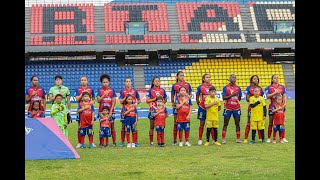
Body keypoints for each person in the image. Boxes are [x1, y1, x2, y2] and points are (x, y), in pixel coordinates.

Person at [171, 71, 192, 146]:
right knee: (176, 123)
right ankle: (174, 140)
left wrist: (188, 98)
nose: (182, 77)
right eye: (180, 75)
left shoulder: (187, 84)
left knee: (186, 122)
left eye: (183, 75)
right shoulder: (174, 85)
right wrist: (173, 103)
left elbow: (190, 94)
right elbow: (172, 95)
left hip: (185, 105)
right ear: (177, 77)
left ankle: (186, 140)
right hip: (178, 105)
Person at [119, 77, 141, 147]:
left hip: (133, 111)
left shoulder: (134, 91)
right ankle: (122, 142)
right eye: (127, 81)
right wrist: (126, 97)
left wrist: (135, 104)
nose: (128, 83)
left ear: (131, 82)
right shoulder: (123, 91)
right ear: (125, 83)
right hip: (125, 110)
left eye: (129, 81)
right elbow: (120, 101)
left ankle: (135, 141)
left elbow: (139, 99)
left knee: (134, 126)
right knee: (123, 127)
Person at [265, 74, 288, 143]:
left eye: (277, 78)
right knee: (271, 122)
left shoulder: (282, 87)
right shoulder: (269, 87)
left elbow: (284, 96)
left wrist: (285, 104)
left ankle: (283, 137)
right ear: (272, 80)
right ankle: (269, 138)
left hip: (281, 107)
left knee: (282, 122)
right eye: (275, 78)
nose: (276, 79)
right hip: (272, 107)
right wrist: (275, 92)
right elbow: (267, 96)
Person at [75, 75, 95, 148]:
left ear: (87, 81)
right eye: (82, 80)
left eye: (85, 80)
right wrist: (82, 94)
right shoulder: (78, 89)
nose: (83, 81)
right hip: (81, 108)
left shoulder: (91, 89)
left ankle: (91, 142)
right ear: (80, 81)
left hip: (89, 109)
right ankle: (80, 142)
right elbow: (77, 99)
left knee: (90, 127)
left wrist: (91, 103)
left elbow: (93, 99)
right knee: (80, 126)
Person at [146, 77, 167, 146]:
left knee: (161, 126)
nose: (157, 82)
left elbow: (165, 99)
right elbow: (147, 100)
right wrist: (155, 99)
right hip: (153, 110)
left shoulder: (162, 90)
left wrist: (161, 102)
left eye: (158, 81)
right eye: (156, 81)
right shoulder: (150, 90)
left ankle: (161, 141)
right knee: (152, 127)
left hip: (160, 111)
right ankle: (151, 142)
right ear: (153, 82)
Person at [221, 74, 242, 144]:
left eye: (234, 77)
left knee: (237, 123)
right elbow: (223, 98)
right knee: (225, 123)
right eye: (232, 77)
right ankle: (223, 138)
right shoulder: (225, 88)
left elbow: (239, 98)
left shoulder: (238, 88)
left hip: (236, 107)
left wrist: (238, 96)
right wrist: (232, 95)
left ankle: (238, 139)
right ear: (229, 79)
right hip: (228, 108)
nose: (233, 79)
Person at [97, 74, 117, 146]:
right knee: (102, 127)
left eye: (106, 82)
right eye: (104, 82)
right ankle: (101, 143)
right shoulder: (99, 90)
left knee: (112, 126)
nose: (105, 83)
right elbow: (98, 100)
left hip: (110, 112)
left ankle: (114, 142)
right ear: (101, 83)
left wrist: (111, 112)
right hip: (101, 112)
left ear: (109, 82)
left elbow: (113, 102)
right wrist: (104, 95)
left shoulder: (112, 90)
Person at [244, 75, 264, 143]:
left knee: (259, 123)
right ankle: (246, 138)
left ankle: (260, 138)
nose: (256, 80)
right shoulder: (248, 88)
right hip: (251, 109)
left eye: (257, 79)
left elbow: (261, 98)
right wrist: (253, 98)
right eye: (254, 79)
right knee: (249, 123)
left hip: (259, 110)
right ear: (251, 80)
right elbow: (247, 99)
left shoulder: (260, 88)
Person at [195, 73, 214, 145]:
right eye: (207, 77)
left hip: (210, 108)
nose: (208, 78)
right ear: (203, 79)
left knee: (211, 124)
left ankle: (213, 139)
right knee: (201, 124)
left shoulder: (212, 87)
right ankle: (200, 139)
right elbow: (197, 97)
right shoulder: (200, 87)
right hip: (202, 108)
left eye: (209, 77)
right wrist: (199, 104)